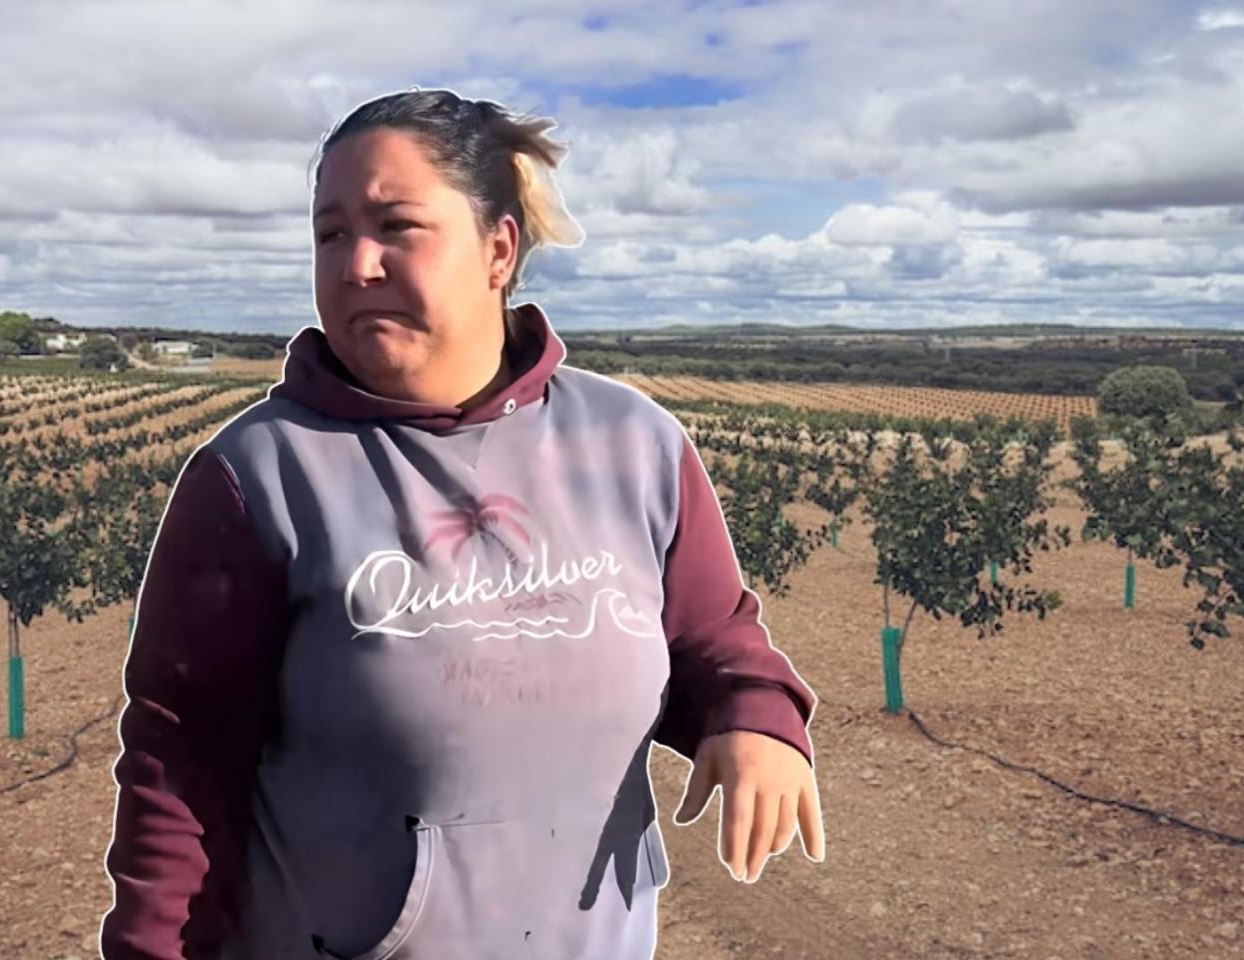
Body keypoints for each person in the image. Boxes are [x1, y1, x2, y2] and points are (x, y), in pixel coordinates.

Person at [100, 88, 824, 960]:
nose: (356, 263)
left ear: (498, 248)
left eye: (395, 226)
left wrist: (754, 715)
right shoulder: (258, 478)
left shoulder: (632, 445)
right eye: (331, 234)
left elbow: (712, 638)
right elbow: (180, 765)